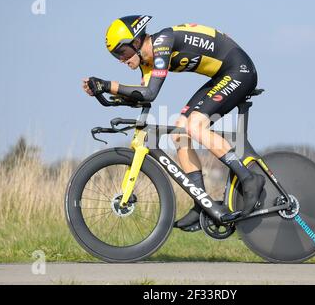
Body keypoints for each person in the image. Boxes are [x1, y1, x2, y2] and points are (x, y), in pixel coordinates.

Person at [82, 15, 265, 232]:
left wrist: (108, 85)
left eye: (121, 52)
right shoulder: (147, 61)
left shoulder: (162, 43)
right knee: (179, 133)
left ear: (137, 41)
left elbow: (149, 92)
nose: (120, 59)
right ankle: (202, 205)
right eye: (115, 55)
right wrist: (104, 92)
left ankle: (249, 178)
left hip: (239, 71)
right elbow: (144, 95)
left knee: (195, 126)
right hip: (222, 76)